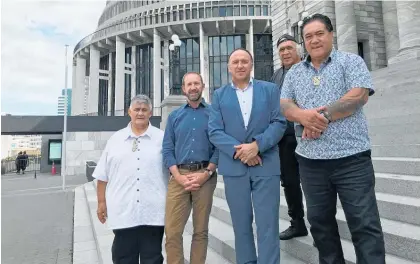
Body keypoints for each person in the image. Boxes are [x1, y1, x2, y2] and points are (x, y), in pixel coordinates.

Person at [280, 14, 386, 264]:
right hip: (311, 163)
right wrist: (303, 117)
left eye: (319, 34)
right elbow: (285, 105)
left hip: (352, 160)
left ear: (331, 34)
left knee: (364, 225)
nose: (314, 40)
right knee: (320, 225)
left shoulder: (351, 61)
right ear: (303, 42)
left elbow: (358, 96)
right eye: (308, 36)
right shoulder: (294, 72)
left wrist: (321, 117)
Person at [208, 48, 287, 264]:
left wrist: (257, 146)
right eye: (236, 62)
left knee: (268, 224)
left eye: (244, 61)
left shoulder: (270, 90)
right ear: (229, 67)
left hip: (266, 165)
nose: (240, 65)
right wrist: (243, 151)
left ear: (251, 65)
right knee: (241, 224)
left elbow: (279, 123)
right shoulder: (219, 95)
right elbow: (214, 131)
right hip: (235, 170)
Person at [93, 94, 168, 264]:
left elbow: (173, 169)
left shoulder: (162, 138)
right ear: (129, 112)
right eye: (137, 110)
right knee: (124, 257)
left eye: (144, 110)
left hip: (153, 211)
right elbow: (102, 175)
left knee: (153, 257)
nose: (140, 113)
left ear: (150, 112)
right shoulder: (115, 139)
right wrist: (101, 202)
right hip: (123, 211)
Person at [162, 72, 218, 264]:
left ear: (202, 86)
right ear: (184, 88)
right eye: (189, 84)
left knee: (200, 231)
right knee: (172, 231)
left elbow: (218, 147)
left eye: (196, 83)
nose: (193, 87)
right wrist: (178, 176)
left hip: (205, 176)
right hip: (179, 177)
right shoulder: (175, 116)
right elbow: (167, 149)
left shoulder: (213, 115)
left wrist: (207, 173)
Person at [270, 34, 308, 240]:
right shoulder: (276, 76)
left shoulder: (308, 69)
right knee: (290, 182)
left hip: (308, 135)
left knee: (314, 181)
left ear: (298, 50)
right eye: (282, 49)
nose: (285, 52)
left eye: (289, 48)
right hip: (284, 138)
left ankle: (322, 221)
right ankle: (297, 222)